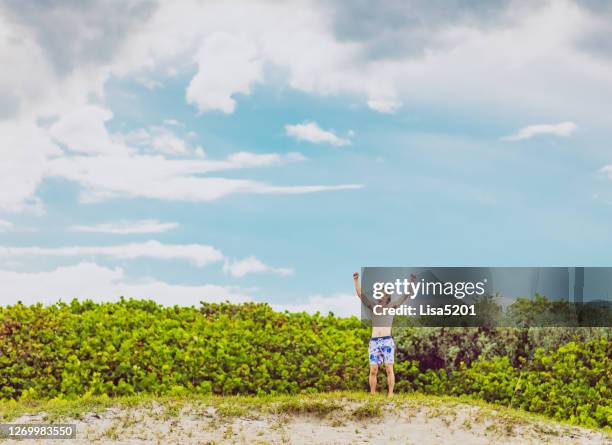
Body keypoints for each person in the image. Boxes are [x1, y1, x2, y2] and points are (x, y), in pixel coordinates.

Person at [353, 271, 416, 396]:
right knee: (373, 369)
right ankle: (372, 393)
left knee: (388, 367)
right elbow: (360, 295)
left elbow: (406, 294)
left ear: (388, 296)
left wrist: (412, 282)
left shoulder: (392, 306)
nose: (381, 295)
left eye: (383, 293)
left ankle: (391, 394)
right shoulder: (373, 307)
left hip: (387, 341)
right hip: (374, 342)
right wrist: (356, 280)